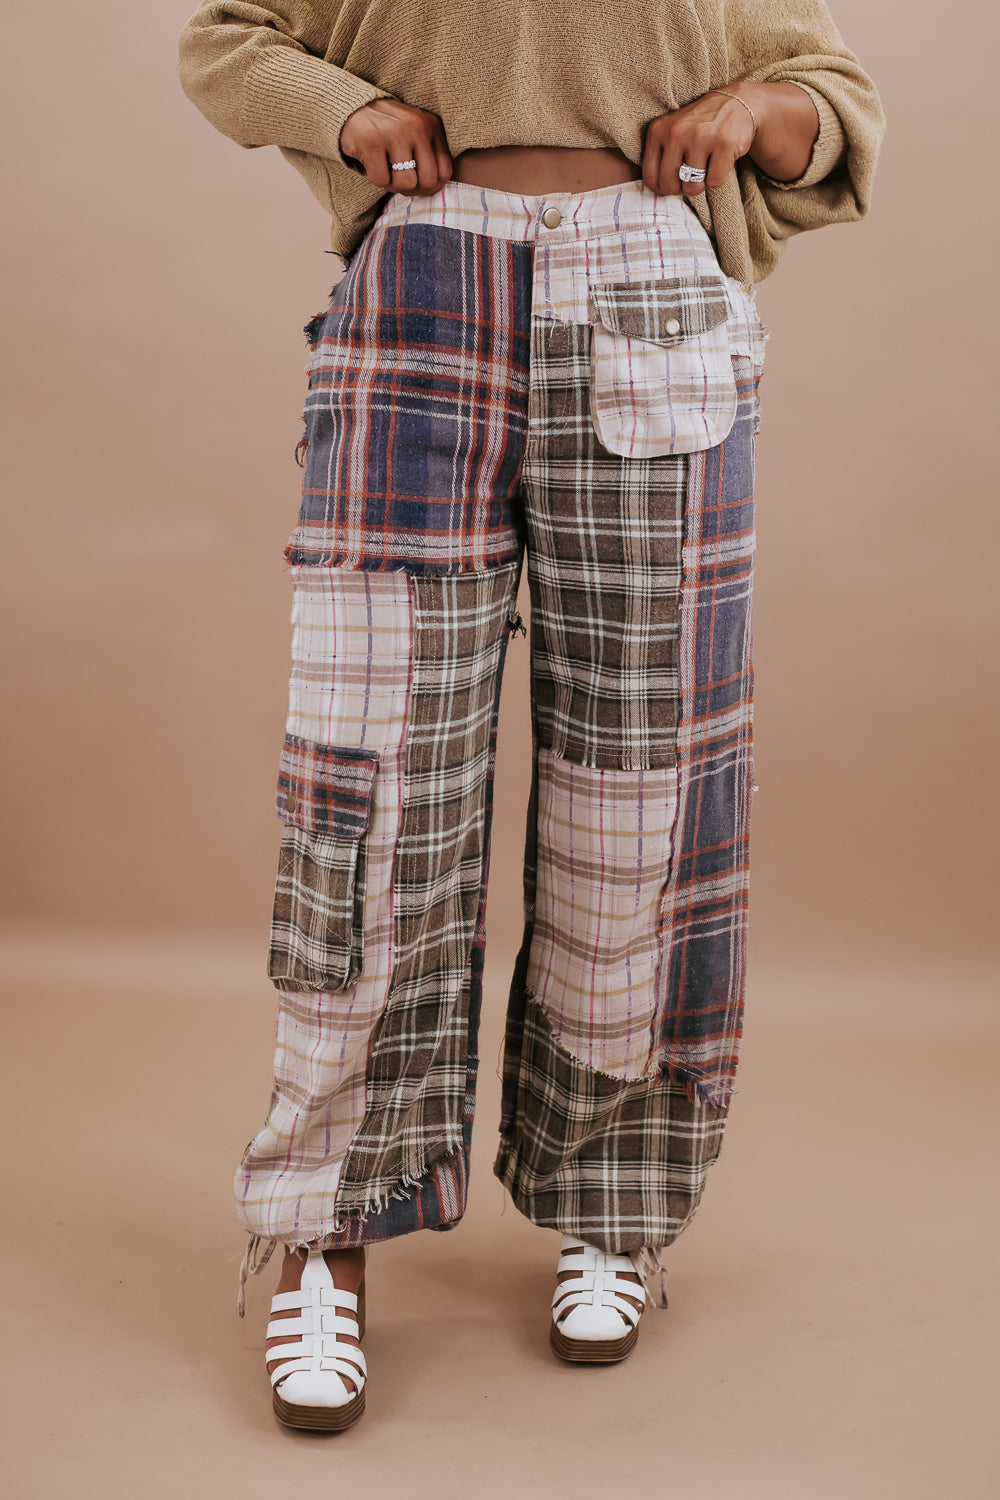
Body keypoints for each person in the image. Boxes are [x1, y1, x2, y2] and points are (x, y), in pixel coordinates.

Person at [177, 0, 884, 1432]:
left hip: (652, 288)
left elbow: (833, 105)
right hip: (422, 287)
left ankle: (611, 1199)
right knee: (370, 783)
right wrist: (343, 113)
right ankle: (327, 1226)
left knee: (646, 784)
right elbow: (228, 41)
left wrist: (752, 113)